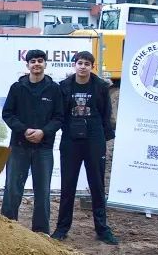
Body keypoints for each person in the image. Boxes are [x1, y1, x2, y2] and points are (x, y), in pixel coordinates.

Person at [52, 51, 119, 245]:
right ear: (74, 65)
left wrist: (102, 139)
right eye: (80, 63)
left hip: (94, 139)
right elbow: (60, 114)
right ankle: (62, 228)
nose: (83, 66)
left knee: (97, 186)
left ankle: (102, 229)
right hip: (71, 140)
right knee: (68, 186)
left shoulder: (100, 86)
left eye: (87, 64)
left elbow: (106, 114)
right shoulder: (64, 86)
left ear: (92, 66)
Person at [0, 50, 64, 234]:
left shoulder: (54, 89)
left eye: (40, 61)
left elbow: (59, 117)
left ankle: (41, 231)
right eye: (33, 61)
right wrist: (24, 130)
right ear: (27, 65)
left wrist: (44, 132)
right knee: (12, 188)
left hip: (43, 148)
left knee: (42, 191)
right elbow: (7, 114)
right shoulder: (17, 88)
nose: (37, 64)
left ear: (45, 64)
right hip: (19, 147)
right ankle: (6, 228)